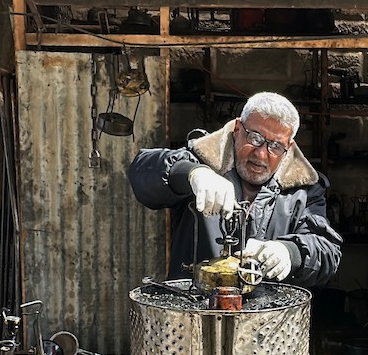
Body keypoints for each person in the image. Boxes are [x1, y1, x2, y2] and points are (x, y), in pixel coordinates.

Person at [128, 92, 341, 286]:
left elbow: (327, 251)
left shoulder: (306, 189)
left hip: (267, 321)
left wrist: (290, 252)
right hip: (195, 314)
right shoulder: (202, 159)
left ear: (289, 148)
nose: (261, 154)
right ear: (237, 129)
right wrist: (191, 173)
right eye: (255, 138)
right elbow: (141, 169)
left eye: (275, 146)